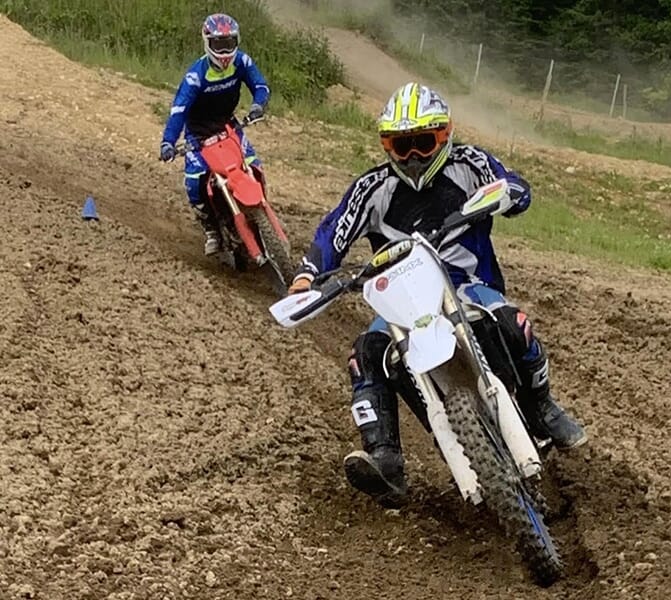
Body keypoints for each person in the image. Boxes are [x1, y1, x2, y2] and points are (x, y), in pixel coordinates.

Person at [288, 82, 587, 506]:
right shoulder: (371, 188)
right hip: (403, 303)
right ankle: (386, 458)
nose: (412, 156)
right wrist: (308, 275)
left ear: (443, 137)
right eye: (401, 145)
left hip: (468, 287)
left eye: (422, 143)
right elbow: (333, 231)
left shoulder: (469, 163)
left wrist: (511, 194)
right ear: (387, 144)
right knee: (365, 354)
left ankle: (542, 406)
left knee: (514, 324)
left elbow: (511, 185)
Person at [158, 13, 271, 256]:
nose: (225, 51)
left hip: (228, 126)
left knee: (254, 166)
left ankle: (258, 214)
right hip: (197, 135)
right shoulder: (195, 76)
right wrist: (168, 142)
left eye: (229, 43)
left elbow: (261, 85)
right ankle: (211, 228)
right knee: (194, 182)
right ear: (207, 43)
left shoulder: (242, 62)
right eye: (219, 45)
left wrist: (257, 105)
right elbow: (179, 110)